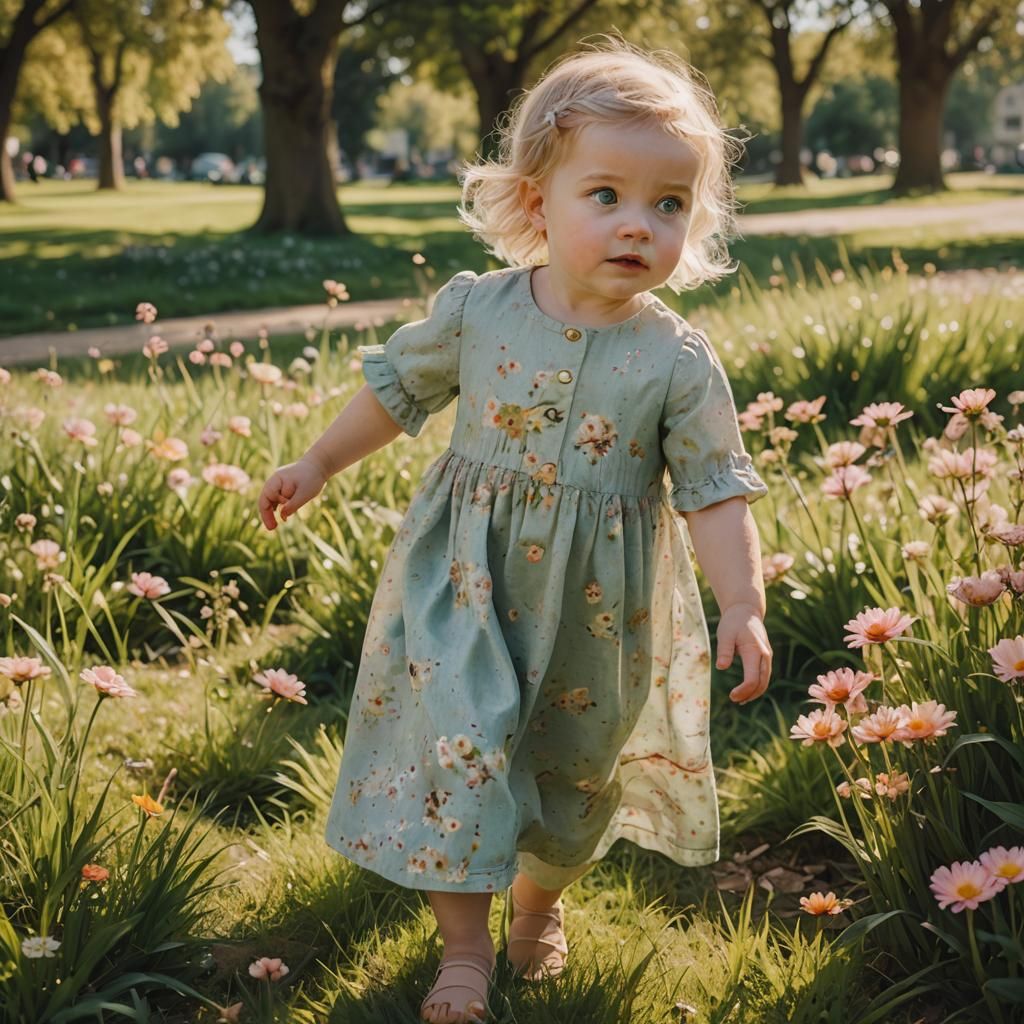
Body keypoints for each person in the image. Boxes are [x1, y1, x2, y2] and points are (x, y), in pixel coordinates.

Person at [258, 34, 773, 1024]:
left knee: (574, 778)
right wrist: (317, 461)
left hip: (598, 609)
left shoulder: (677, 361)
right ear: (538, 203)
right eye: (607, 195)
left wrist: (740, 601)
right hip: (466, 578)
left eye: (668, 204)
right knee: (462, 744)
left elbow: (712, 487)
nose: (639, 224)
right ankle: (463, 950)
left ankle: (536, 908)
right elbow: (398, 390)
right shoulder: (480, 311)